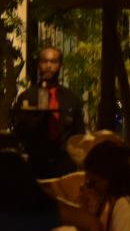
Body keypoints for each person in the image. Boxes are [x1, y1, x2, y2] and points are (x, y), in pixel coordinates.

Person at [12, 45, 85, 177]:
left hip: (64, 163)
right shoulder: (26, 97)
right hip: (36, 163)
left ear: (60, 65)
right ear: (39, 64)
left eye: (53, 62)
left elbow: (79, 133)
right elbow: (19, 132)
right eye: (45, 61)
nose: (49, 66)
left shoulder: (70, 98)